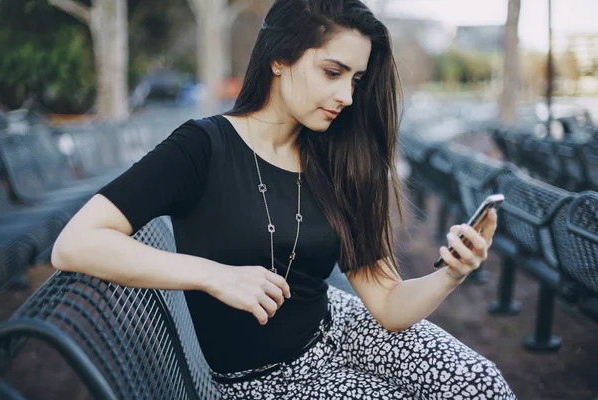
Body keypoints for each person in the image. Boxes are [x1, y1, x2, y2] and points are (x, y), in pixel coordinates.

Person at [51, 0, 516, 398]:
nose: (346, 96)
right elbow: (74, 243)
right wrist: (212, 276)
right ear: (279, 58)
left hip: (340, 326)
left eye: (355, 80)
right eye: (332, 72)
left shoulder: (337, 157)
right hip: (261, 381)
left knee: (480, 383)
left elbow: (389, 304)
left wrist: (452, 273)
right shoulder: (202, 147)